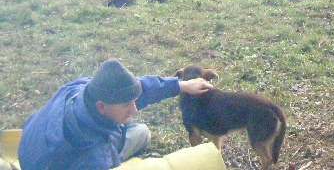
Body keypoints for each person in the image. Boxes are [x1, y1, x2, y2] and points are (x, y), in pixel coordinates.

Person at [19, 58, 213, 170]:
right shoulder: (94, 158)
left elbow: (136, 89)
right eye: (127, 105)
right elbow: (97, 159)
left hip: (33, 146)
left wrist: (181, 85)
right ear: (102, 107)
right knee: (142, 133)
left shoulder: (79, 89)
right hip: (64, 160)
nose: (134, 110)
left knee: (140, 131)